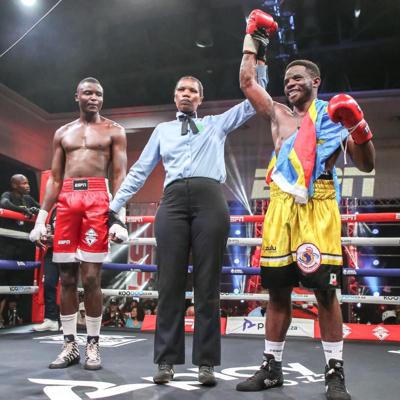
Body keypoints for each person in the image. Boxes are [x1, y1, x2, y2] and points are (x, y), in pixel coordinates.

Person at [236, 10, 375, 400]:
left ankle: (334, 374)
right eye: (286, 80)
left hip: (319, 204)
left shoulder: (333, 117)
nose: (289, 84)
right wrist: (253, 40)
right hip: (280, 206)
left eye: (297, 78)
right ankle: (272, 367)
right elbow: (248, 82)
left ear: (316, 82)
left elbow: (366, 165)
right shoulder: (278, 115)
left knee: (325, 293)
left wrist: (358, 126)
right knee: (277, 291)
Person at [109, 63, 268, 386]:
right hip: (173, 203)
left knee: (207, 285)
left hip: (210, 199)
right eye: (181, 89)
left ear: (200, 98)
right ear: (174, 96)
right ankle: (166, 361)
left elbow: (254, 100)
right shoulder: (162, 130)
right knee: (169, 284)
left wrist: (260, 62)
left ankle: (206, 363)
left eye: (192, 90)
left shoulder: (215, 124)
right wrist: (113, 207)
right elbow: (140, 170)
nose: (186, 94)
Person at [29, 77, 127, 370]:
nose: (94, 98)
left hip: (98, 198)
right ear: (77, 96)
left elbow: (119, 175)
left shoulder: (114, 130)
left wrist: (119, 218)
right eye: (88, 93)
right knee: (67, 278)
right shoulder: (62, 132)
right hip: (68, 199)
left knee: (91, 278)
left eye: (98, 94)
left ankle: (93, 344)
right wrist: (41, 219)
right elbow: (55, 179)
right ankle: (69, 345)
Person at [0, 174, 40, 325]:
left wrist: (35, 209)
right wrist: (21, 210)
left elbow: (42, 208)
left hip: (22, 246)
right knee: (2, 278)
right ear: (15, 185)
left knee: (18, 281)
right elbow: (4, 203)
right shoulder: (8, 195)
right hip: (6, 245)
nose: (27, 185)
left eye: (28, 182)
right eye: (23, 183)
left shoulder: (28, 199)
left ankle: (14, 316)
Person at [32, 207, 59, 332]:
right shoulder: (52, 209)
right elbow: (47, 229)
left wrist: (58, 238)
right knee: (48, 283)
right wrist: (40, 236)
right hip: (52, 250)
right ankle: (51, 319)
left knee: (69, 285)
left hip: (69, 250)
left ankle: (67, 320)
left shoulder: (75, 204)